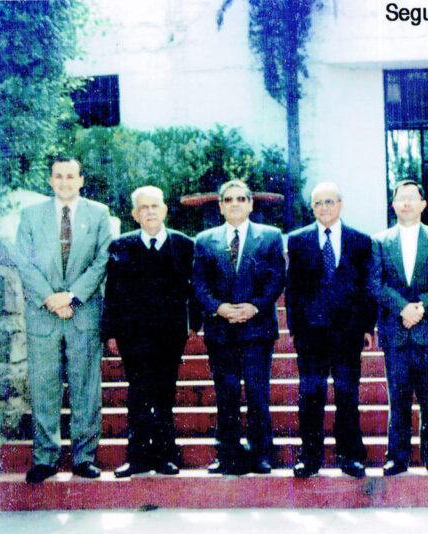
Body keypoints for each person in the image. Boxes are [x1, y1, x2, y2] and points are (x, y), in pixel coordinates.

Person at [15, 156, 112, 484]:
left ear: (81, 180)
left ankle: (85, 457)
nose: (65, 182)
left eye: (71, 176)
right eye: (59, 176)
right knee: (44, 388)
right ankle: (45, 458)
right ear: (50, 180)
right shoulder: (31, 215)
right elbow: (24, 262)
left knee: (86, 387)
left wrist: (71, 296)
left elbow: (101, 261)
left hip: (83, 313)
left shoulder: (99, 214)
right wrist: (51, 298)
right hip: (44, 315)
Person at [101, 186, 201, 478]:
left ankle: (166, 456)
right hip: (133, 336)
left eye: (154, 206)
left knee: (165, 395)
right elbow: (113, 292)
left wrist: (194, 325)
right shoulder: (121, 246)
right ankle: (137, 458)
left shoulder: (184, 245)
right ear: (134, 214)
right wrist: (111, 333)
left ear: (165, 210)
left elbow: (194, 289)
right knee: (138, 395)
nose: (150, 212)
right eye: (143, 207)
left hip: (170, 335)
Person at [192, 179, 285, 475]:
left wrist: (254, 306)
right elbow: (199, 283)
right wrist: (218, 307)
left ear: (251, 204)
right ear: (220, 206)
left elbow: (277, 278)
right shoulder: (204, 240)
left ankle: (260, 454)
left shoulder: (270, 236)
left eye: (241, 199)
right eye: (228, 200)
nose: (235, 204)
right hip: (221, 330)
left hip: (257, 328)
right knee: (226, 393)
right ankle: (227, 454)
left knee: (257, 393)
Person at [286, 182, 376, 479]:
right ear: (311, 208)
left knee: (347, 394)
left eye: (329, 201)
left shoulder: (360, 241)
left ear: (340, 204)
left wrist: (367, 326)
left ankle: (350, 456)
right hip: (311, 334)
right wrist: (296, 329)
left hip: (348, 333)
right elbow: (293, 289)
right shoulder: (298, 241)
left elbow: (367, 288)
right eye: (318, 203)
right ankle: (310, 457)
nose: (324, 208)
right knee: (311, 394)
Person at [373, 180, 428, 476]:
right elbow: (375, 283)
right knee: (398, 398)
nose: (406, 203)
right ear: (393, 205)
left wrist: (420, 307)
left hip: (427, 332)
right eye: (400, 198)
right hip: (395, 332)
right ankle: (397, 457)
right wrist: (402, 308)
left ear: (423, 204)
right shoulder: (380, 241)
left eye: (412, 198)